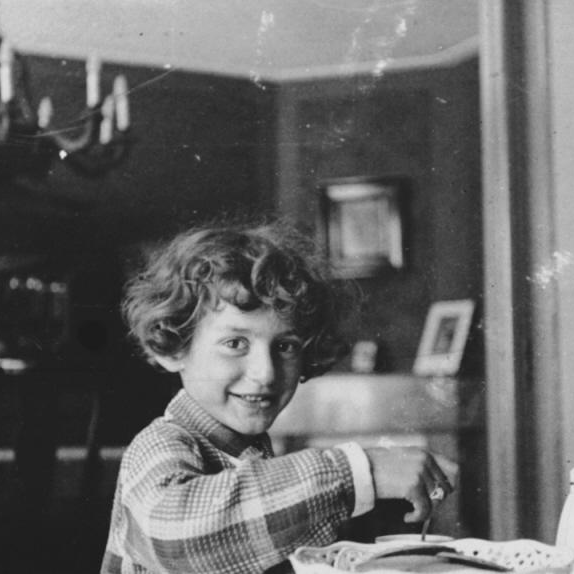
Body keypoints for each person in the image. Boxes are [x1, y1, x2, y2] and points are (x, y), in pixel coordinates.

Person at [100, 219, 455, 574]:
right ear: (175, 348)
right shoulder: (160, 445)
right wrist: (359, 471)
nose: (265, 373)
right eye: (235, 343)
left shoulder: (261, 466)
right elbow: (176, 538)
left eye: (285, 346)